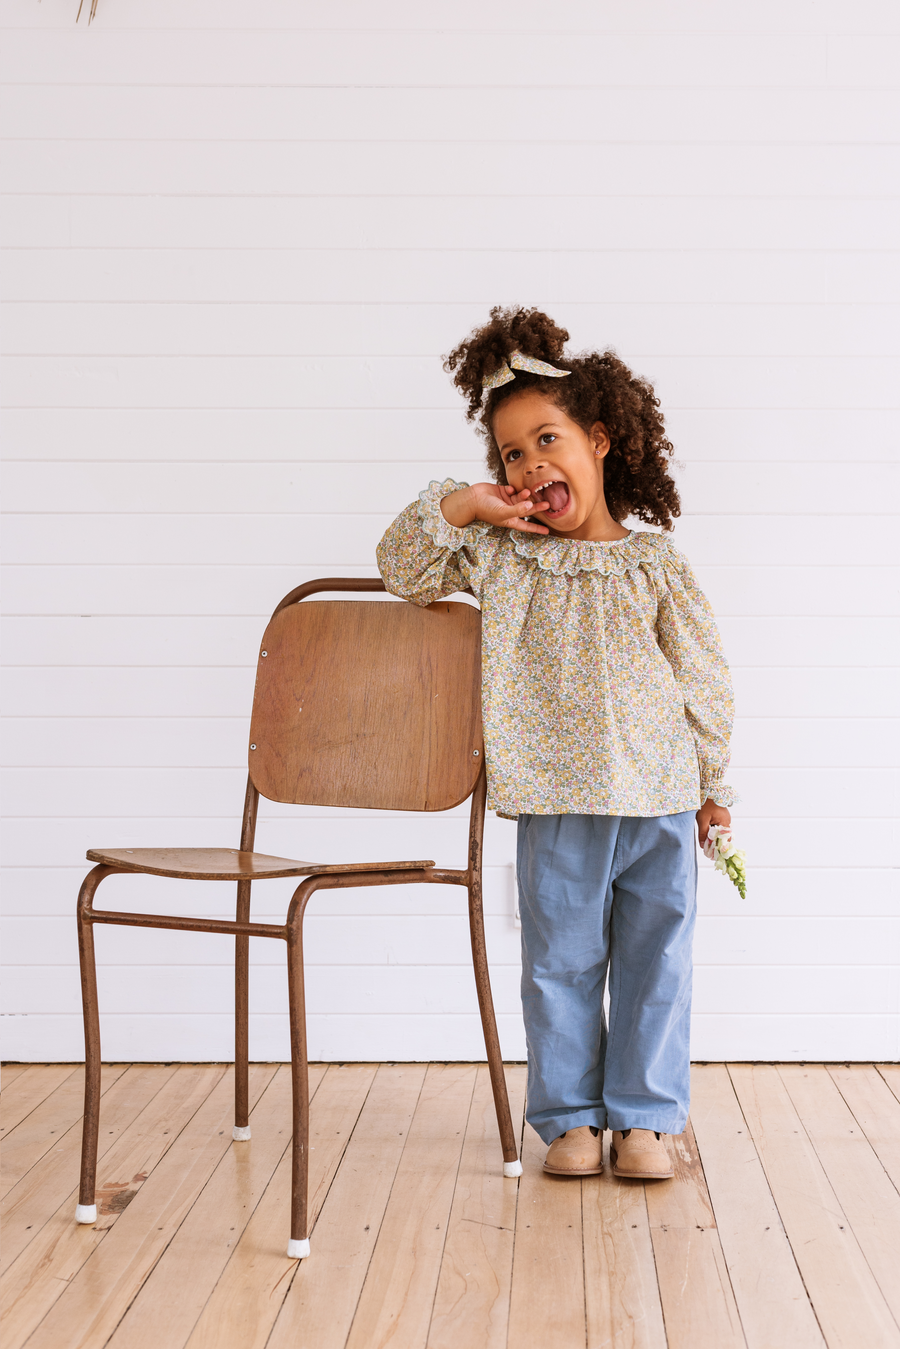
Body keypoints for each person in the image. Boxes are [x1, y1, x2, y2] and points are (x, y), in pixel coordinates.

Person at [377, 306, 735, 1180]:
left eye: (547, 440)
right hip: (553, 796)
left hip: (659, 795)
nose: (531, 464)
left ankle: (645, 1119)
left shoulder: (657, 563)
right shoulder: (502, 554)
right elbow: (402, 566)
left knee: (658, 959)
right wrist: (469, 506)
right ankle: (572, 1116)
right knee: (559, 964)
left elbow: (704, 678)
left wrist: (713, 780)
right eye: (510, 454)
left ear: (602, 442)